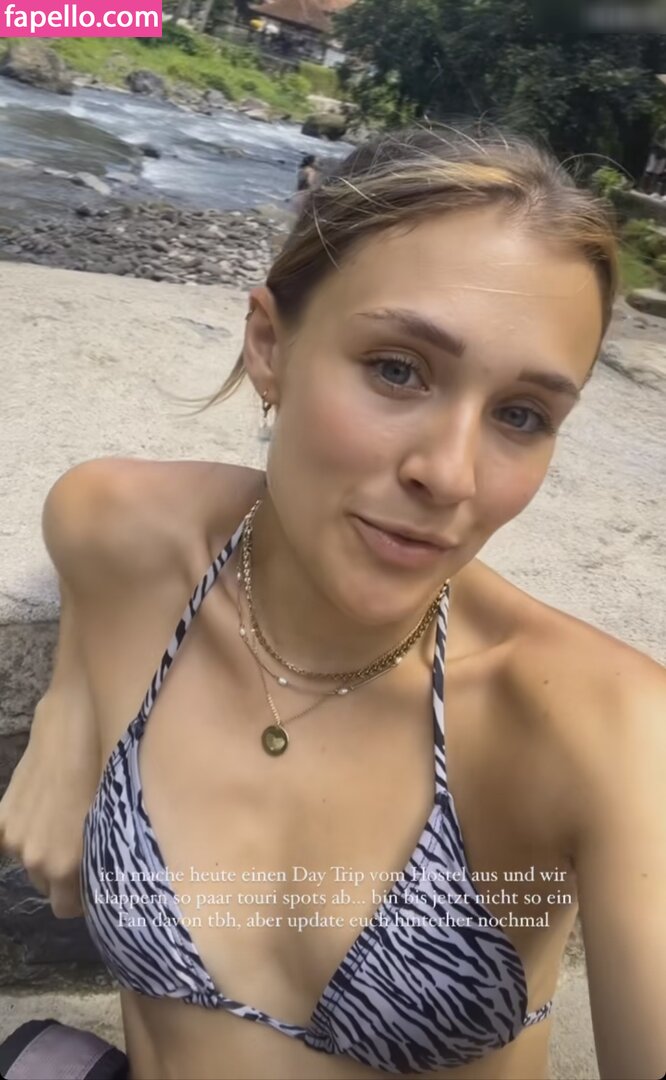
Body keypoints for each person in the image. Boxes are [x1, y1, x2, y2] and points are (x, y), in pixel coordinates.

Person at [1, 128, 664, 1080]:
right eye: (398, 369)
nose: (450, 474)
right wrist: (68, 704)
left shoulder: (605, 729)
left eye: (521, 415)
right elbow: (79, 512)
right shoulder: (128, 538)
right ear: (270, 345)